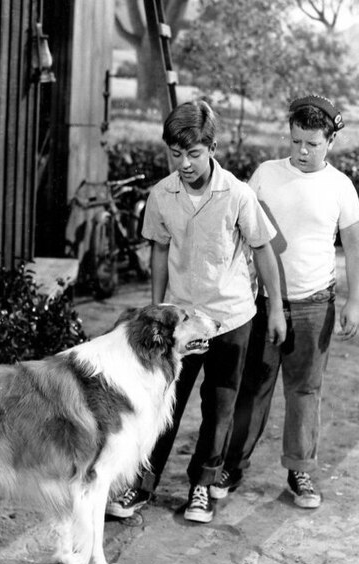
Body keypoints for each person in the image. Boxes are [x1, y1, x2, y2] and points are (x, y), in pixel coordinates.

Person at [106, 100, 286, 523]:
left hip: (230, 320)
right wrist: (156, 306)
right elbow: (159, 249)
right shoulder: (161, 195)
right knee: (162, 404)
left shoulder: (239, 195)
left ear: (212, 147)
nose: (184, 163)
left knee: (220, 408)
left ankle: (202, 486)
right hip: (180, 324)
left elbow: (263, 252)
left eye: (193, 154)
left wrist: (274, 308)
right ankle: (141, 484)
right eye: (175, 154)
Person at [209, 94, 359, 509]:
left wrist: (354, 303)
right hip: (262, 303)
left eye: (312, 144)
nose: (301, 151)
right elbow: (240, 232)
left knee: (305, 391)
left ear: (330, 141)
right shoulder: (265, 175)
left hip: (316, 304)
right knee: (253, 389)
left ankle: (300, 470)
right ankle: (231, 465)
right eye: (295, 141)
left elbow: (355, 248)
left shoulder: (340, 187)